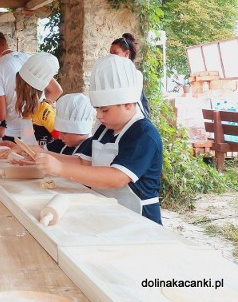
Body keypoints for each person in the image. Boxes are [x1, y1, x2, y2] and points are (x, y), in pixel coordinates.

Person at [33, 55, 163, 224]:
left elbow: (116, 178)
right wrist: (44, 154)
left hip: (140, 219)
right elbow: (83, 163)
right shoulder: (105, 128)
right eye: (97, 109)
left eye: (105, 110)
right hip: (109, 212)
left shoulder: (144, 134)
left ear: (128, 104)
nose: (99, 116)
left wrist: (60, 168)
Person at [14, 52, 60, 145]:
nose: (15, 89)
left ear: (27, 89)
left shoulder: (44, 111)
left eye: (18, 86)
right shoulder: (28, 110)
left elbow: (60, 140)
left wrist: (44, 152)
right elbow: (28, 140)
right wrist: (18, 147)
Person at [110, 33, 150, 117]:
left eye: (115, 53)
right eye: (110, 53)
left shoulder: (136, 75)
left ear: (126, 54)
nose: (111, 57)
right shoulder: (111, 73)